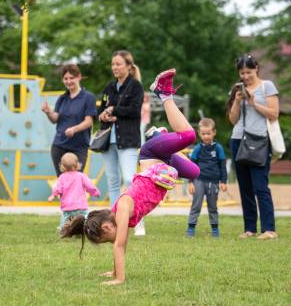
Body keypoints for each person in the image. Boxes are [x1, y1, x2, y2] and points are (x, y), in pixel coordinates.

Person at [61, 69, 200, 285]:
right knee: (194, 172)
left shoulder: (123, 207)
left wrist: (120, 279)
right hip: (161, 165)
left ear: (107, 227)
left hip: (151, 155)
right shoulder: (119, 217)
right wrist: (114, 271)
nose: (112, 242)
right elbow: (121, 244)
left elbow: (119, 244)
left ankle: (163, 94)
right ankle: (160, 135)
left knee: (189, 135)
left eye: (107, 239)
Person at [226, 54, 279, 240]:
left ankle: (269, 229)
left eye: (248, 72)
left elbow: (274, 114)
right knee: (245, 187)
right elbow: (233, 120)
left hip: (259, 141)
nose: (246, 76)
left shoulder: (267, 86)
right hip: (238, 140)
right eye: (242, 73)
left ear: (256, 68)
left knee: (260, 186)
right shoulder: (237, 89)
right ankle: (250, 228)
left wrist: (254, 103)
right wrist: (238, 101)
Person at [97, 50, 146, 236]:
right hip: (108, 141)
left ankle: (138, 220)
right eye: (113, 64)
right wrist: (102, 114)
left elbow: (134, 110)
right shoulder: (108, 87)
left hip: (128, 140)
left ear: (128, 66)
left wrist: (114, 109)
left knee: (130, 180)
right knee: (112, 182)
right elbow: (100, 109)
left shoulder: (136, 86)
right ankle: (115, 222)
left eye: (118, 64)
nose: (115, 67)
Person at [42, 64, 98, 177]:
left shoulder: (88, 97)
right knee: (63, 182)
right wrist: (48, 112)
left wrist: (74, 129)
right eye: (65, 79)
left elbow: (89, 121)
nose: (68, 81)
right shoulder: (62, 98)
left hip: (79, 147)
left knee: (75, 181)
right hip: (59, 146)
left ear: (79, 77)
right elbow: (55, 119)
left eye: (71, 78)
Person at [186, 118, 228, 238]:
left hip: (214, 182)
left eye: (208, 133)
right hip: (199, 181)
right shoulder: (198, 149)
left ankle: (215, 229)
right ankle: (191, 228)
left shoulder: (218, 148)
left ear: (214, 132)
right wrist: (190, 182)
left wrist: (223, 181)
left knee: (213, 206)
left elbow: (222, 166)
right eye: (203, 134)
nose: (206, 136)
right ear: (199, 134)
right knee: (196, 205)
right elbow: (191, 166)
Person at [48, 152, 101, 230]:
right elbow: (89, 186)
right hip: (81, 206)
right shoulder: (81, 176)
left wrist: (53, 195)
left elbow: (57, 188)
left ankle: (63, 229)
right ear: (77, 164)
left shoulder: (62, 177)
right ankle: (87, 229)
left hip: (68, 206)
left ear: (62, 166)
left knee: (66, 220)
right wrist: (95, 193)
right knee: (84, 219)